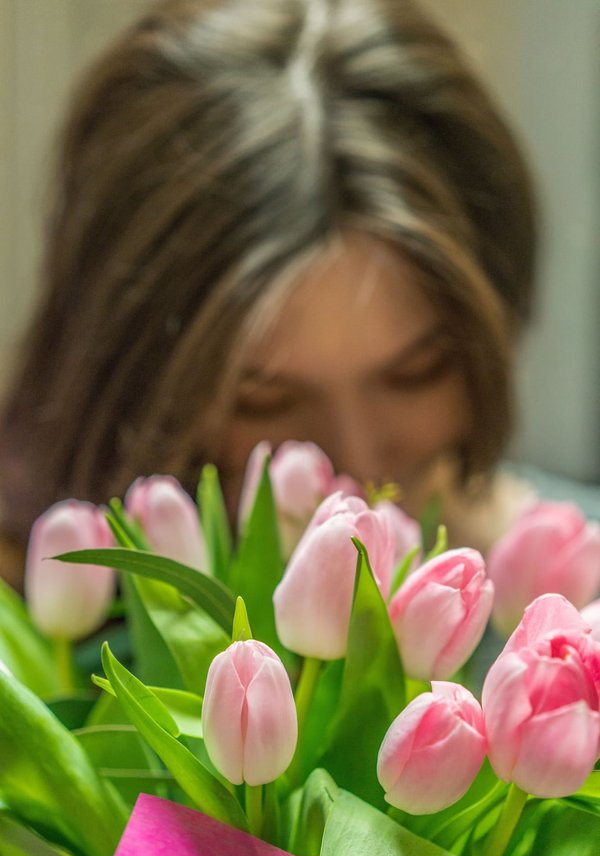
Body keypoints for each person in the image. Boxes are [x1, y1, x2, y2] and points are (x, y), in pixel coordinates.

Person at [0, 0, 538, 591]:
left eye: (419, 371)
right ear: (128, 384)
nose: (355, 459)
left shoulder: (565, 615)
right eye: (262, 399)